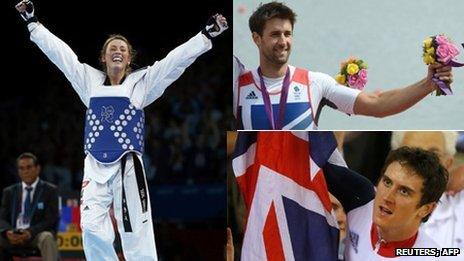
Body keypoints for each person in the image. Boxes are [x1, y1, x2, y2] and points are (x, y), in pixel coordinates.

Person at [15, 0, 228, 260]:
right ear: (103, 58)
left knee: (134, 230)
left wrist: (205, 35)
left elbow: (175, 61)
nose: (117, 51)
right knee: (91, 227)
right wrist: (34, 24)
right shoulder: (88, 81)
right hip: (94, 165)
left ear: (129, 58)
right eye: (112, 48)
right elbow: (61, 55)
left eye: (123, 49)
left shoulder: (142, 83)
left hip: (128, 166)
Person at [233, 1, 454, 130]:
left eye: (287, 34)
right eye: (275, 34)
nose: (283, 42)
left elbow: (377, 104)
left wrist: (428, 84)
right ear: (256, 38)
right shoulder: (239, 85)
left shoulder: (314, 82)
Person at [325, 146, 451, 260]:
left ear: (427, 209)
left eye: (404, 191)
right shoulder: (362, 198)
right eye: (387, 182)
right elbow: (320, 155)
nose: (387, 197)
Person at [391, 131, 464, 251]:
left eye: (433, 155)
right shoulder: (372, 205)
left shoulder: (460, 205)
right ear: (394, 161)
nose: (423, 165)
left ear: (448, 163)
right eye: (411, 154)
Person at [0, 153, 59, 261]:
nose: (25, 171)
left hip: (36, 235)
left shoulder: (50, 190)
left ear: (37, 169)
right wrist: (7, 232)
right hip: (13, 234)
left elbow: (51, 219)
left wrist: (30, 232)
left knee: (47, 238)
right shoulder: (9, 192)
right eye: (21, 168)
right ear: (18, 171)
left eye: (29, 167)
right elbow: (2, 218)